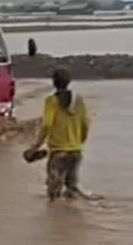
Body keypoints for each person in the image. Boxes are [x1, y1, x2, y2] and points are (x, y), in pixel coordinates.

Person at [25, 66, 97, 202]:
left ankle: (54, 219)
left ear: (53, 82)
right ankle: (75, 217)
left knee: (54, 194)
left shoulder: (51, 101)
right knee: (72, 188)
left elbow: (47, 125)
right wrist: (79, 142)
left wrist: (36, 146)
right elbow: (85, 124)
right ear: (69, 81)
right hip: (76, 152)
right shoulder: (79, 100)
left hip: (59, 152)